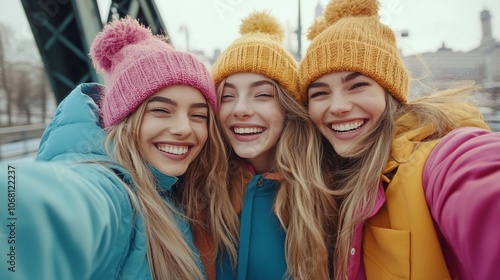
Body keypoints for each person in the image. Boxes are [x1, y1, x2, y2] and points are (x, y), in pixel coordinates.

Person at [0, 17, 238, 280]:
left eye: (198, 115)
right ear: (124, 120)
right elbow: (53, 208)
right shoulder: (113, 191)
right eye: (161, 110)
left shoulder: (170, 187)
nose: (184, 128)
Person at [299, 0, 500, 279]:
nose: (338, 106)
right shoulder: (320, 180)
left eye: (357, 86)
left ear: (390, 94)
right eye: (319, 93)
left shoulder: (438, 159)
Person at [211, 11, 336, 280]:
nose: (240, 109)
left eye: (262, 94)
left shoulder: (330, 188)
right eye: (228, 96)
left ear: (289, 107)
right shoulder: (198, 186)